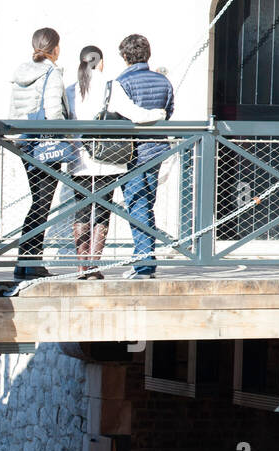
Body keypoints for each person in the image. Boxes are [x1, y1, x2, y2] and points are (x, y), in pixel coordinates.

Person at [66, 45, 166, 279]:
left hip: (78, 160)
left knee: (81, 210)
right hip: (105, 160)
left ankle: (81, 267)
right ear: (100, 62)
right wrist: (159, 114)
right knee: (101, 211)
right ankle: (93, 267)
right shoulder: (110, 86)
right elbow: (137, 115)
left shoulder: (70, 88)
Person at [9, 27, 70, 280]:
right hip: (47, 145)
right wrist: (66, 136)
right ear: (55, 49)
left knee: (38, 201)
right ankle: (30, 261)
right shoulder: (51, 72)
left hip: (27, 143)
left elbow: (14, 110)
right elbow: (54, 111)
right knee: (42, 202)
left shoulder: (21, 73)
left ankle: (26, 260)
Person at [114, 33, 175, 278]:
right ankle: (144, 259)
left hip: (133, 151)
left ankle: (144, 263)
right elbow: (169, 111)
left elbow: (119, 115)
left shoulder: (121, 81)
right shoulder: (163, 81)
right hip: (158, 149)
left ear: (126, 56)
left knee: (138, 204)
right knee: (147, 203)